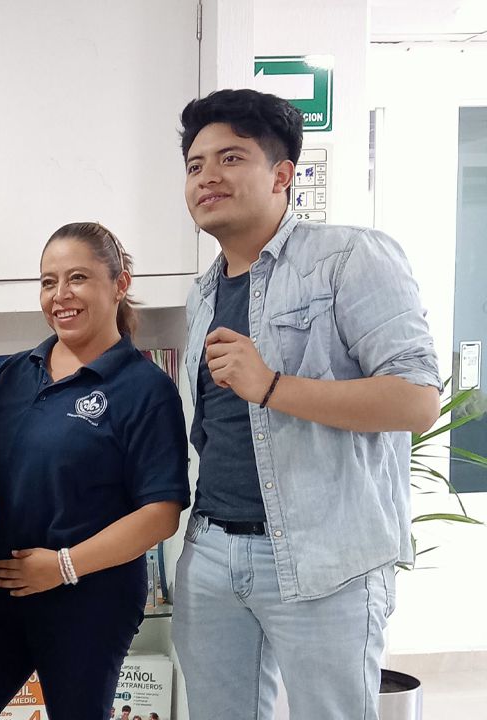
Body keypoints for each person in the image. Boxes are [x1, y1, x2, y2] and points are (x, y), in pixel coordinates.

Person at [172, 88, 441, 720]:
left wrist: (272, 386)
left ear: (282, 174)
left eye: (231, 158)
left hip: (325, 558)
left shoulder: (350, 257)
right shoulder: (202, 293)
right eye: (195, 164)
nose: (207, 176)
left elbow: (417, 401)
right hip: (211, 551)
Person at [0, 223, 189, 719]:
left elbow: (161, 514)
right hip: (5, 588)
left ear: (119, 284)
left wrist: (62, 566)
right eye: (48, 281)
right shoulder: (14, 374)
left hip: (91, 597)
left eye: (78, 278)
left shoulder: (145, 389)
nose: (60, 295)